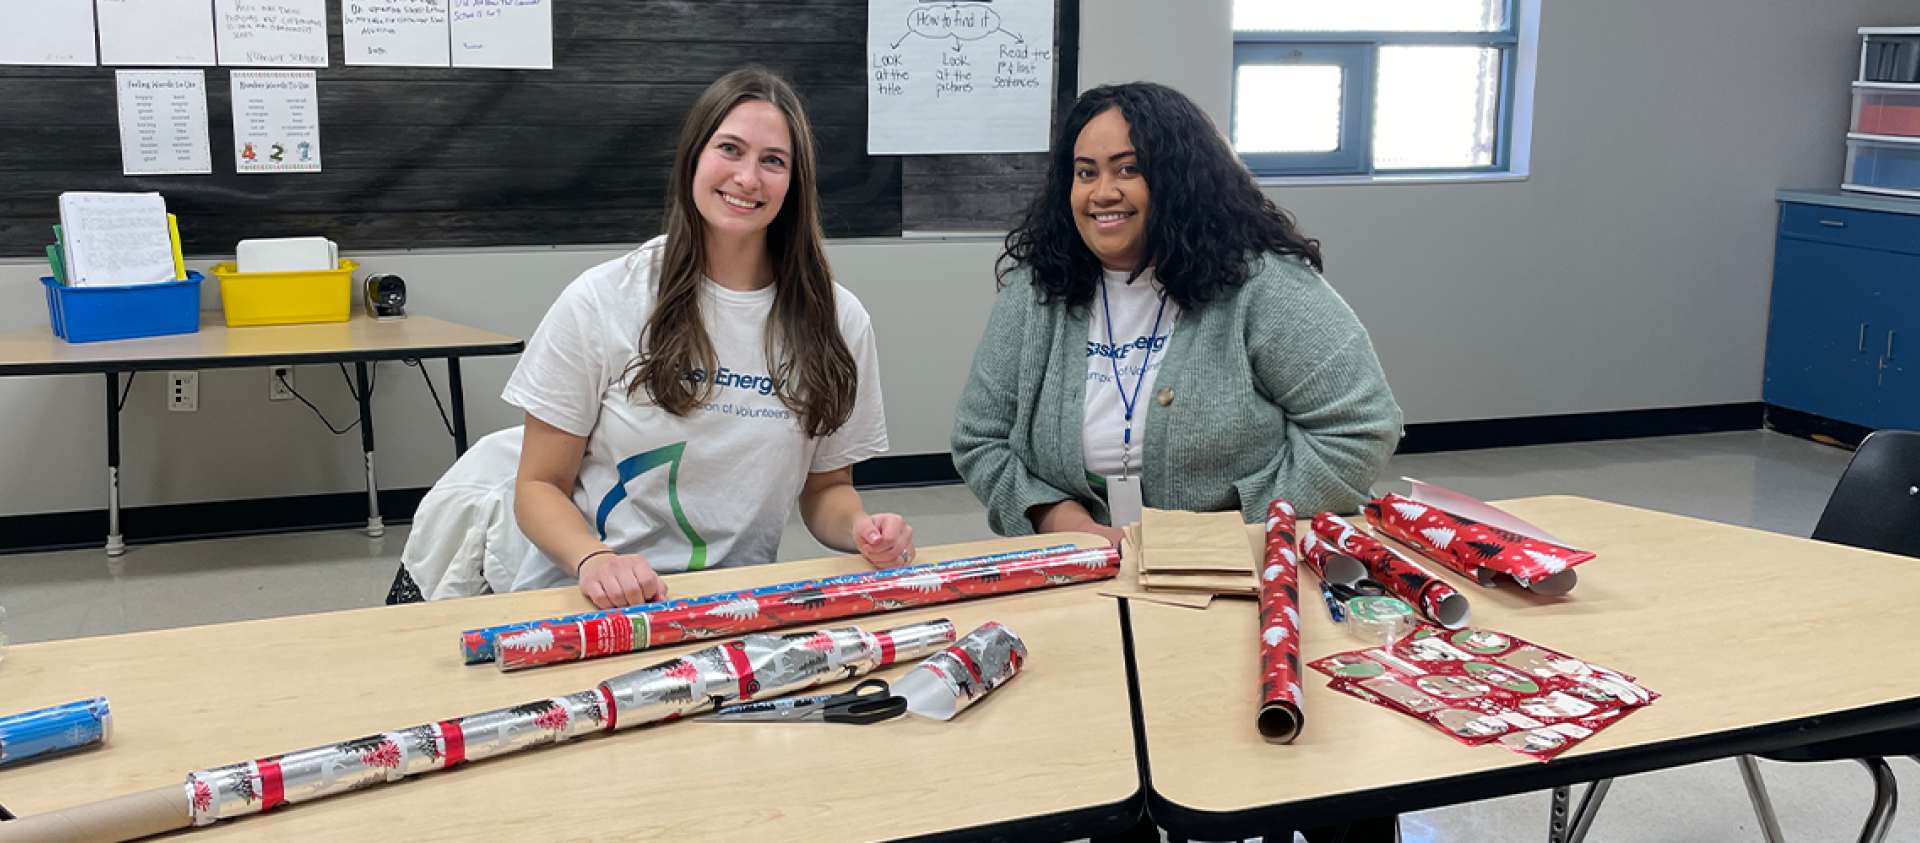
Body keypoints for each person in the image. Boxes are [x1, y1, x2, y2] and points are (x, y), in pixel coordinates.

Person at [392, 66, 914, 608]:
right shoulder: (603, 298)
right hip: (585, 597)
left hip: (726, 603)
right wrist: (593, 559)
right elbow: (537, 487)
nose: (748, 178)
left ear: (796, 181)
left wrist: (861, 527)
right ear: (693, 156)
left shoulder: (836, 320)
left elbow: (826, 490)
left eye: (773, 161)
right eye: (730, 149)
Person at [952, 81, 1403, 546]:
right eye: (1086, 173)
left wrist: (1224, 530)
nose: (1102, 192)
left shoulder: (1263, 284)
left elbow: (1358, 429)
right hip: (1077, 559)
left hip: (1235, 560)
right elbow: (979, 439)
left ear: (1180, 179)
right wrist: (1058, 520)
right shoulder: (1035, 291)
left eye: (1128, 169)